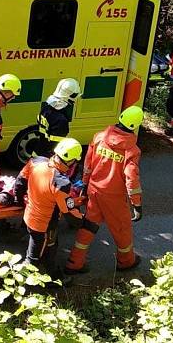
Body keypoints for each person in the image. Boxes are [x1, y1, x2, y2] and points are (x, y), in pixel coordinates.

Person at [65, 106, 144, 275]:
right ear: (135, 126)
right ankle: (126, 261)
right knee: (122, 229)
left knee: (88, 226)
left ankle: (74, 262)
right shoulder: (131, 150)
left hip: (94, 191)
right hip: (114, 197)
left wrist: (85, 186)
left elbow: (88, 164)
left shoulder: (100, 137)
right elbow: (131, 178)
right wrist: (136, 205)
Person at [15, 138, 83, 280]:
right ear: (71, 161)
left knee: (49, 246)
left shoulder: (37, 161)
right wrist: (86, 222)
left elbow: (20, 181)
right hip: (44, 225)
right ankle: (27, 285)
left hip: (30, 215)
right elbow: (69, 213)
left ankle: (51, 275)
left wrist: (20, 201)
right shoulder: (61, 183)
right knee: (35, 257)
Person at [34, 78, 80, 157]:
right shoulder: (61, 120)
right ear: (71, 97)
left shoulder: (45, 108)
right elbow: (57, 147)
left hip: (37, 154)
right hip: (48, 160)